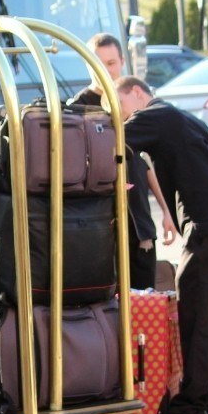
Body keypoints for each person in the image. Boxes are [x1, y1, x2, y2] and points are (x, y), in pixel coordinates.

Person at [115, 75, 208, 414]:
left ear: (137, 94)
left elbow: (110, 142)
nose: (123, 117)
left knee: (198, 311)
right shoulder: (186, 118)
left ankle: (190, 408)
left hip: (206, 222)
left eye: (121, 106)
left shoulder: (155, 116)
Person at [68, 34, 176, 288]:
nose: (106, 70)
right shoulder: (78, 108)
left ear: (122, 63)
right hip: (100, 223)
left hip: (138, 221)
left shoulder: (133, 99)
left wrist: (167, 210)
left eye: (111, 63)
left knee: (143, 297)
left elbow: (146, 162)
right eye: (98, 63)